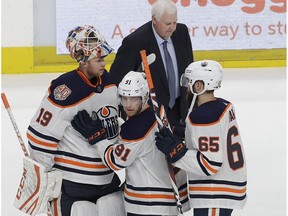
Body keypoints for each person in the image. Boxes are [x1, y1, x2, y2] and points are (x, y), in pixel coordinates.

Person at [27, 25, 125, 216]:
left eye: (103, 58)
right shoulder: (65, 90)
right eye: (98, 59)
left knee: (114, 208)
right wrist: (43, 175)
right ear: (83, 60)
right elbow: (40, 136)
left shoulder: (110, 82)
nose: (104, 63)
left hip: (107, 177)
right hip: (74, 182)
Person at [71, 71, 190, 216]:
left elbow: (116, 161)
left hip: (148, 205)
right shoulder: (158, 110)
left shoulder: (136, 127)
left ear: (144, 96)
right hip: (166, 200)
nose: (128, 105)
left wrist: (98, 138)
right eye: (124, 98)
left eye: (134, 99)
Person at [155, 60, 247, 216]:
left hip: (214, 193)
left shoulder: (203, 116)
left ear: (198, 86)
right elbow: (218, 136)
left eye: (189, 83)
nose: (186, 89)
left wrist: (176, 152)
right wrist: (189, 134)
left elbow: (210, 164)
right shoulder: (223, 106)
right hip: (224, 189)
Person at [109, 0, 194, 126]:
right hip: (150, 116)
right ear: (154, 19)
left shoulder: (181, 32)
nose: (172, 28)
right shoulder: (134, 42)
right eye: (167, 23)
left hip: (179, 110)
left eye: (174, 22)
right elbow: (116, 80)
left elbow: (189, 66)